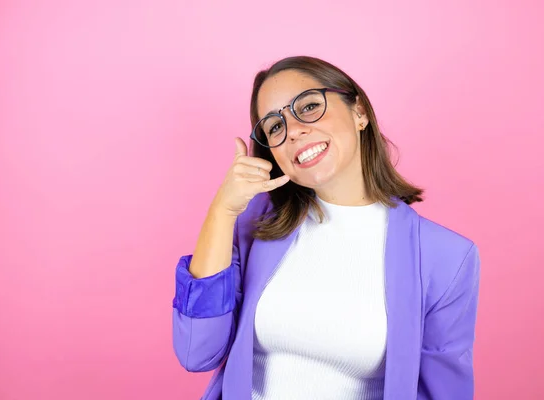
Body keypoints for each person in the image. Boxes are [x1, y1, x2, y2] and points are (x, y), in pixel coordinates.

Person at [172, 56, 480, 400]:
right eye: (275, 127)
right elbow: (196, 351)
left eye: (308, 107)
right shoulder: (256, 224)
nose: (293, 131)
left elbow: (443, 392)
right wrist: (223, 209)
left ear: (359, 112)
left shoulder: (446, 258)